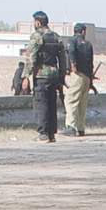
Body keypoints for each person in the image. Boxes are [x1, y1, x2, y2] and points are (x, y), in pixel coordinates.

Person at [21, 10, 68, 143]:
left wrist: (26, 76)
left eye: (34, 22)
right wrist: (62, 76)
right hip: (54, 74)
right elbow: (63, 59)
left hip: (41, 74)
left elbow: (31, 57)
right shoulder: (56, 37)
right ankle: (51, 133)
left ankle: (43, 134)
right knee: (52, 103)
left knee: (41, 103)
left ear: (38, 22)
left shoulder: (37, 36)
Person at [61, 22, 95, 137]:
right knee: (82, 103)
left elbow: (71, 52)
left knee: (70, 101)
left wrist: (73, 65)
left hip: (77, 75)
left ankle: (70, 126)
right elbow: (91, 63)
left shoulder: (72, 41)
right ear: (83, 32)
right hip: (87, 77)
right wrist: (91, 80)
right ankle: (81, 128)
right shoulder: (89, 44)